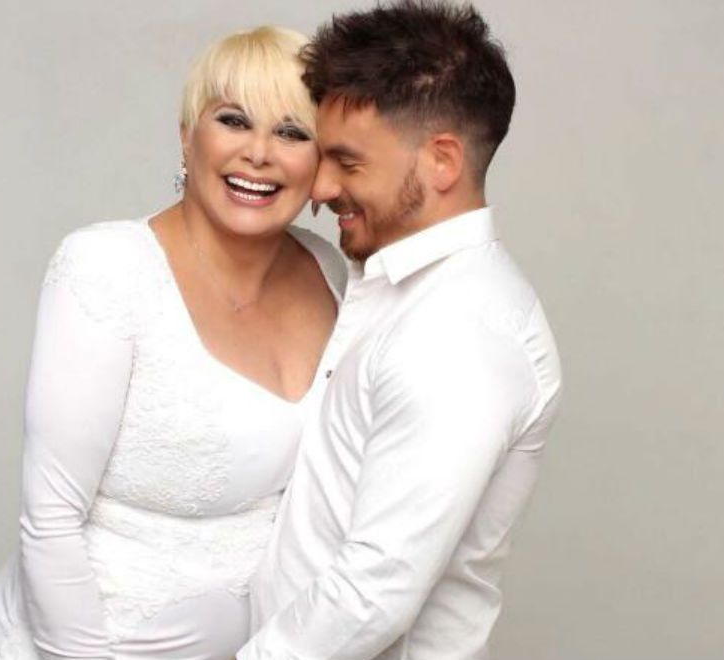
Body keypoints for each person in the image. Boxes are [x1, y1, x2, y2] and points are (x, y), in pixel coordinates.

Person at [0, 26, 346, 660]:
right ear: (187, 136)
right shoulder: (106, 268)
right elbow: (50, 521)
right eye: (233, 120)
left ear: (321, 162)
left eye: (292, 132)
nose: (259, 153)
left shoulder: (329, 273)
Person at [238, 3, 563, 659]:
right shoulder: (391, 285)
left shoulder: (460, 335)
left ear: (441, 162)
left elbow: (375, 590)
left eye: (347, 162)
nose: (319, 187)